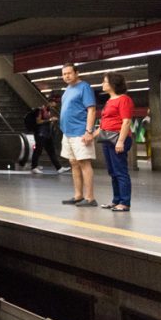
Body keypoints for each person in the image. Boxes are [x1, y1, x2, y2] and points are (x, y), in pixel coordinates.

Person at [58, 63, 98, 206]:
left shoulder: (84, 87)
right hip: (68, 133)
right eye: (64, 74)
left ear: (77, 73)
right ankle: (78, 195)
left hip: (80, 132)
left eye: (69, 73)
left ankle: (90, 198)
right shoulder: (67, 90)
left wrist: (88, 131)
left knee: (84, 163)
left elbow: (91, 110)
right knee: (74, 163)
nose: (66, 76)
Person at [98, 73, 134, 211]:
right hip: (107, 138)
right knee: (112, 172)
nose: (103, 84)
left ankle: (125, 202)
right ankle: (116, 200)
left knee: (120, 171)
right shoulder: (109, 101)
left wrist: (120, 141)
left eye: (105, 81)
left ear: (113, 84)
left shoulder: (124, 100)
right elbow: (104, 122)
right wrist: (91, 134)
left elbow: (126, 122)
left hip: (118, 138)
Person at [30, 99, 68, 174]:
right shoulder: (40, 110)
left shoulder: (48, 110)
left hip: (47, 133)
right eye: (53, 103)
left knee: (51, 151)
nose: (54, 105)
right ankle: (34, 167)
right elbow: (38, 121)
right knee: (38, 150)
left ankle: (59, 168)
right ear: (49, 102)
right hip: (40, 133)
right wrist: (50, 119)